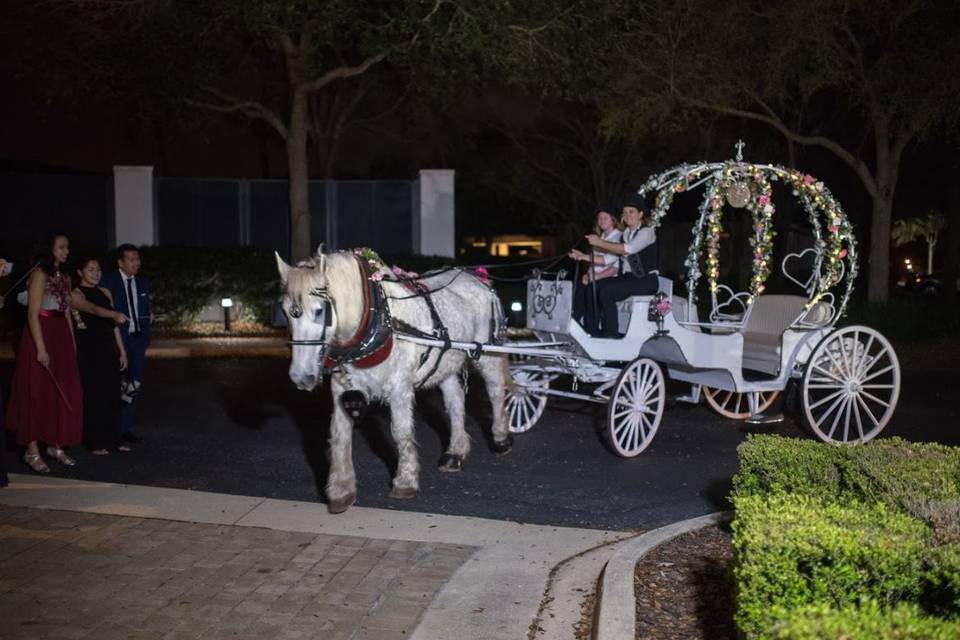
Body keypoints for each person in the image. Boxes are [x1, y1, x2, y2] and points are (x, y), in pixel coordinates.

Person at [5, 234, 84, 472]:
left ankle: (55, 444)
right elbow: (32, 313)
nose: (66, 250)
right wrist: (40, 348)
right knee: (36, 392)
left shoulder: (65, 276)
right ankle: (32, 451)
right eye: (61, 247)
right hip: (41, 333)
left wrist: (72, 343)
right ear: (50, 250)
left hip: (60, 335)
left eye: (67, 247)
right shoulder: (39, 273)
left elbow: (67, 311)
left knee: (60, 392)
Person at [71, 257, 129, 455]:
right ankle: (95, 442)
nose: (96, 274)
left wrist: (121, 349)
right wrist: (113, 314)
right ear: (80, 272)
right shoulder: (75, 293)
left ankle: (114, 439)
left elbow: (114, 326)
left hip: (108, 347)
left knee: (113, 393)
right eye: (90, 269)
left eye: (98, 270)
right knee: (94, 395)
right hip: (89, 348)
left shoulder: (105, 292)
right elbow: (94, 309)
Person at [583, 201, 659, 337]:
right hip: (628, 279)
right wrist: (582, 256)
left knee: (607, 292)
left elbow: (628, 249)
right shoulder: (625, 235)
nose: (627, 215)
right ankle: (592, 331)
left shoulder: (647, 232)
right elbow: (608, 259)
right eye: (625, 212)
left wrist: (600, 242)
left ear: (640, 214)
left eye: (631, 211)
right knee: (593, 287)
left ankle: (612, 334)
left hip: (646, 281)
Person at [101, 244, 150, 443]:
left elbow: (145, 310)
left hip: (138, 340)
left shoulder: (142, 282)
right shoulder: (108, 281)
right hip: (118, 340)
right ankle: (112, 427)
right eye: (131, 259)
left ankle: (125, 427)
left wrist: (146, 336)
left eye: (137, 258)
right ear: (120, 262)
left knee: (134, 383)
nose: (136, 262)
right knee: (116, 384)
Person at [570, 207, 622, 326]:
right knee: (578, 286)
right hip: (596, 276)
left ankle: (591, 327)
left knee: (591, 289)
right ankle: (576, 321)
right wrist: (588, 274)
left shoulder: (618, 237)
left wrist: (598, 276)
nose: (601, 220)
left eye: (605, 218)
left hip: (610, 277)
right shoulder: (600, 237)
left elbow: (615, 265)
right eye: (599, 218)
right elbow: (594, 261)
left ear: (613, 220)